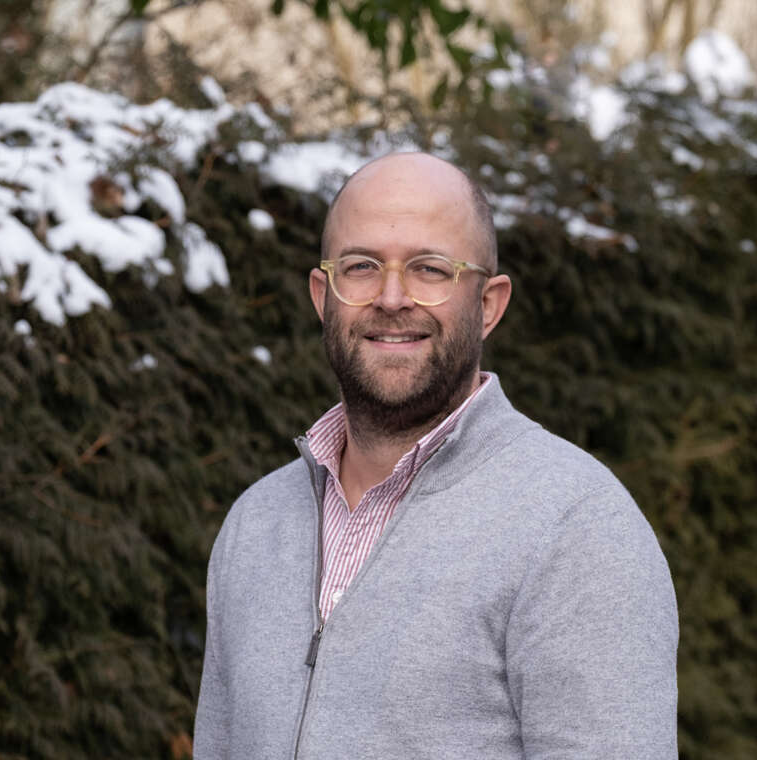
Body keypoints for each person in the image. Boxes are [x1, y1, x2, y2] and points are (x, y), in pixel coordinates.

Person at [192, 152, 678, 759]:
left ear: (489, 304)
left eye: (430, 269)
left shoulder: (576, 527)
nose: (392, 297)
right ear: (322, 295)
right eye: (361, 266)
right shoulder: (255, 524)